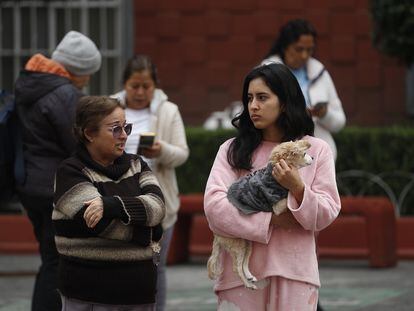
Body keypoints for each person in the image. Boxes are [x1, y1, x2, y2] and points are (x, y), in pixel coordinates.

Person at [204, 63, 341, 310]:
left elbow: (327, 211)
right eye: (249, 98)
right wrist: (271, 221)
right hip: (240, 278)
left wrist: (298, 188)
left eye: (262, 97)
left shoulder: (315, 150)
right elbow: (214, 208)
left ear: (285, 102)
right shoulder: (232, 150)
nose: (253, 105)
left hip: (295, 275)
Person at [14, 30, 101, 311]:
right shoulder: (63, 94)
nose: (88, 79)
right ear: (75, 69)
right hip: (56, 188)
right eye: (87, 72)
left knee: (50, 257)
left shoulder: (31, 82)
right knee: (58, 261)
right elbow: (79, 142)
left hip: (31, 184)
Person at [53, 96, 165, 310]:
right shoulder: (70, 172)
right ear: (89, 133)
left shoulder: (137, 164)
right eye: (115, 129)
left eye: (126, 127)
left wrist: (111, 205)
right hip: (89, 294)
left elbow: (158, 207)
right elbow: (98, 224)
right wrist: (148, 233)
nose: (124, 136)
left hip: (140, 294)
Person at [112, 54, 189, 311]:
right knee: (119, 265)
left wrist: (161, 150)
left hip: (159, 200)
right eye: (134, 86)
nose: (140, 92)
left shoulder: (169, 111)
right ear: (124, 84)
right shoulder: (109, 108)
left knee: (156, 266)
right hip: (118, 197)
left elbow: (182, 153)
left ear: (155, 86)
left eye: (146, 86)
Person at [262, 18, 346, 160]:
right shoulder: (266, 72)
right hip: (278, 155)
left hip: (318, 157)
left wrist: (325, 114)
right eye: (299, 49)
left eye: (309, 50)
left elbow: (339, 122)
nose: (304, 55)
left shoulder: (319, 72)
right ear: (284, 47)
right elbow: (255, 114)